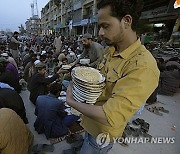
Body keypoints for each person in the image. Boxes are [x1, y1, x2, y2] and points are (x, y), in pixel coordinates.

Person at [66, 0, 160, 153]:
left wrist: (71, 101)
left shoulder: (143, 66)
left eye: (105, 26)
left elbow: (109, 116)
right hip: (89, 122)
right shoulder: (110, 50)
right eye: (100, 26)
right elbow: (98, 82)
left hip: (102, 132)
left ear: (126, 21)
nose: (100, 33)